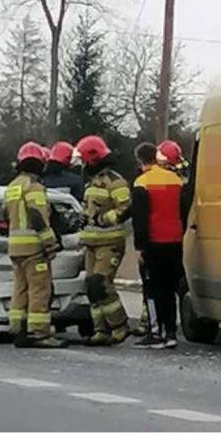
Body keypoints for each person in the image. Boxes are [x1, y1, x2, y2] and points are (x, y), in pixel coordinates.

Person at [3, 142, 68, 349]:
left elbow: (5, 214)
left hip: (15, 247)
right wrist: (49, 241)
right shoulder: (35, 187)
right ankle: (40, 334)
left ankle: (19, 330)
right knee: (40, 290)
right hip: (34, 248)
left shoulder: (12, 186)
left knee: (20, 289)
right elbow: (36, 214)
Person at [76, 135, 131, 346]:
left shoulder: (114, 181)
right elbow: (88, 207)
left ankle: (120, 326)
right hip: (91, 243)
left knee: (102, 284)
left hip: (109, 242)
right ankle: (101, 330)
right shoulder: (92, 182)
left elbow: (125, 208)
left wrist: (103, 219)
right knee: (91, 286)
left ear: (93, 157)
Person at [131, 142, 184, 349]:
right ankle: (171, 332)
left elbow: (140, 219)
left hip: (153, 243)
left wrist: (139, 247)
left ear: (140, 159)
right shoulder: (176, 180)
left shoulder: (142, 183)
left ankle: (156, 332)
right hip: (175, 242)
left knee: (152, 289)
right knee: (169, 290)